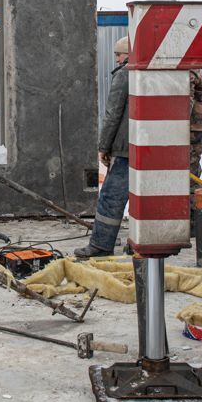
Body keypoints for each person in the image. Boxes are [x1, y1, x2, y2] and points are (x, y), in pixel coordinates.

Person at [76, 36, 132, 259]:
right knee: (142, 200)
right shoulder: (152, 73)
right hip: (149, 150)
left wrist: (104, 146)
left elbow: (113, 115)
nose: (117, 58)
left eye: (119, 53)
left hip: (125, 149)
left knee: (111, 197)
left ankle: (101, 244)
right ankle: (138, 244)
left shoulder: (125, 74)